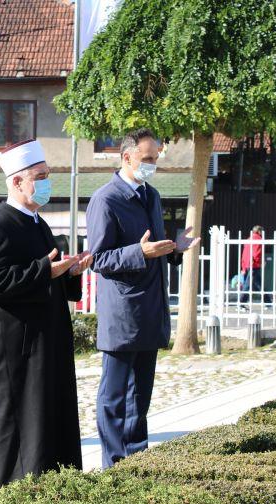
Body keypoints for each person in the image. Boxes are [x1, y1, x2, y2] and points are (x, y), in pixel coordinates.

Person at [0, 139, 93, 488]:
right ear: (17, 182)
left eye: (47, 175)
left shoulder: (38, 224)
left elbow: (48, 273)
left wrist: (70, 273)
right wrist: (46, 270)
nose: (46, 182)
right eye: (39, 176)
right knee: (23, 437)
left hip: (47, 342)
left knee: (53, 428)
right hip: (16, 352)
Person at [86, 128, 199, 469]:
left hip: (150, 309)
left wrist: (173, 249)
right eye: (147, 159)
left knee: (141, 397)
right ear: (127, 157)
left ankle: (136, 461)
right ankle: (113, 463)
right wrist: (140, 251)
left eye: (156, 158)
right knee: (115, 398)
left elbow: (155, 249)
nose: (152, 165)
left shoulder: (151, 195)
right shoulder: (106, 199)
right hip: (122, 313)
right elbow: (100, 259)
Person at [239, 225, 270, 307]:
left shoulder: (249, 239)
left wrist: (243, 266)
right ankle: (241, 303)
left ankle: (268, 302)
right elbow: (257, 253)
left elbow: (244, 254)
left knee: (257, 284)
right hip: (254, 264)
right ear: (259, 231)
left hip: (247, 264)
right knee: (248, 285)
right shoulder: (259, 239)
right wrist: (260, 262)